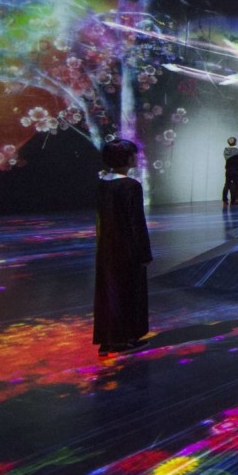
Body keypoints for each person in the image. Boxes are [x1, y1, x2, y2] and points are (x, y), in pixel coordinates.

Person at [94, 139, 152, 356]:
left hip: (107, 248)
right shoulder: (131, 186)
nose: (135, 157)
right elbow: (136, 222)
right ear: (126, 158)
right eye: (133, 154)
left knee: (109, 293)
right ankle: (123, 340)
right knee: (128, 292)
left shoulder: (103, 184)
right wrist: (144, 253)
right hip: (127, 249)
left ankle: (107, 339)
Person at [222, 137, 238, 205]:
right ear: (235, 142)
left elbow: (227, 158)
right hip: (236, 170)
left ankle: (224, 199)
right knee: (236, 185)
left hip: (228, 170)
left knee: (227, 184)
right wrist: (236, 157)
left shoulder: (226, 151)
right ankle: (233, 199)